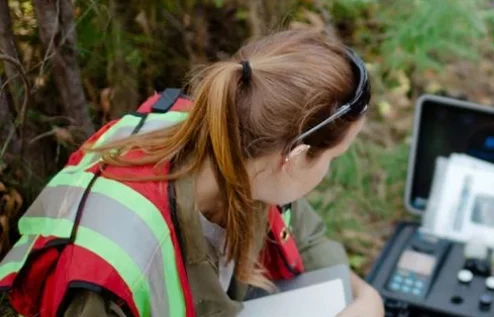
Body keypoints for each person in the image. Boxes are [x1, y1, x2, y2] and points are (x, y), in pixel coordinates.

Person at [0, 29, 384, 317]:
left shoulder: (248, 142)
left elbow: (306, 237)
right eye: (334, 157)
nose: (329, 171)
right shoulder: (113, 272)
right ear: (296, 157)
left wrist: (366, 300)